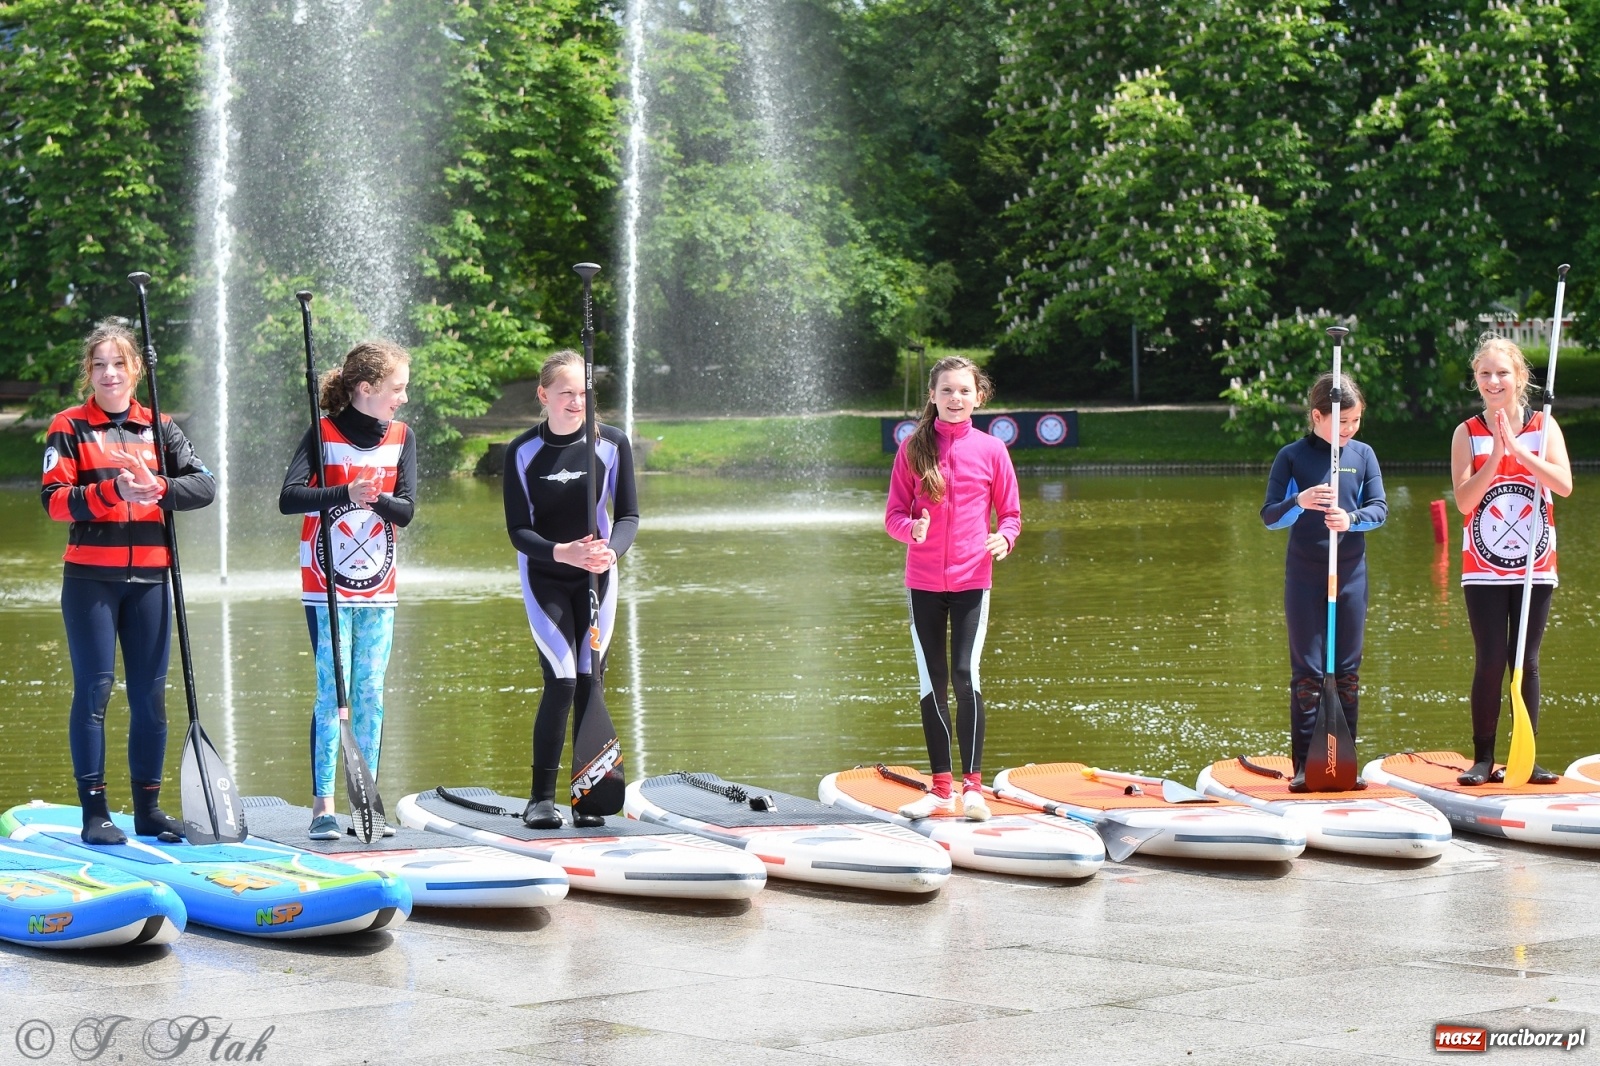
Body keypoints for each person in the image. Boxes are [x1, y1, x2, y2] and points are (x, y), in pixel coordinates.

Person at [42, 319, 216, 844]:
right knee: (94, 692)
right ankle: (95, 813)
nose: (110, 373)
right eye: (100, 365)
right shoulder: (68, 426)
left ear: (136, 369)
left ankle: (148, 809)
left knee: (149, 697)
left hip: (150, 582)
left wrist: (157, 486)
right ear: (89, 373)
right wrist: (113, 491)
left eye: (120, 363)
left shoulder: (160, 428)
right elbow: (54, 500)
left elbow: (204, 485)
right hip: (91, 580)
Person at [279, 340, 415, 839]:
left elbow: (407, 510)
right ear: (366, 389)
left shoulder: (402, 436)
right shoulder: (323, 433)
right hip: (325, 587)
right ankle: (322, 808)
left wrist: (375, 499)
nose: (402, 397)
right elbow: (289, 498)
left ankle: (368, 802)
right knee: (330, 692)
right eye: (396, 389)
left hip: (378, 588)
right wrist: (343, 493)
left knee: (370, 694)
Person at [503, 350, 638, 829]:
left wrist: (610, 552)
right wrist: (563, 552)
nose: (577, 402)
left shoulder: (612, 444)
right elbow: (519, 531)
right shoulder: (521, 452)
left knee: (590, 681)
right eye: (566, 393)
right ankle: (540, 799)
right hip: (546, 577)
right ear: (544, 396)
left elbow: (628, 517)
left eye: (584, 394)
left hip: (599, 578)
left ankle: (588, 795)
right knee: (560, 681)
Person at [885, 356, 1020, 821]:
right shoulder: (912, 450)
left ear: (978, 396)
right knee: (933, 681)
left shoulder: (992, 451)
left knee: (965, 676)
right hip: (922, 583)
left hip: (972, 582)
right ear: (933, 396)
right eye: (947, 391)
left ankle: (974, 788)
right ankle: (941, 789)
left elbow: (1011, 514)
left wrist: (1005, 537)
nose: (955, 398)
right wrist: (912, 531)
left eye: (964, 390)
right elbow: (893, 516)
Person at [1450, 334, 1573, 786]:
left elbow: (1563, 485)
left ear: (1519, 377)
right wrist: (1497, 455)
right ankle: (1483, 758)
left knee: (1527, 661)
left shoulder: (1545, 426)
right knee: (1490, 658)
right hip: (1482, 569)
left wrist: (1520, 452)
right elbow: (1464, 502)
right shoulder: (1466, 433)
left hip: (1535, 564)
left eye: (1502, 372)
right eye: (1485, 374)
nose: (1493, 381)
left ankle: (1528, 756)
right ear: (1477, 381)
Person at [1261, 372, 1387, 792]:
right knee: (1309, 676)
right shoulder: (1293, 457)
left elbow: (1380, 509)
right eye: (1342, 421)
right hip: (1305, 576)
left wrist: (1350, 520)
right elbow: (1269, 516)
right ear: (1317, 416)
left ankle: (1345, 764)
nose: (1349, 430)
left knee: (1348, 674)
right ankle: (1303, 767)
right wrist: (1299, 501)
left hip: (1350, 575)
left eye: (1355, 421)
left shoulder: (1364, 455)